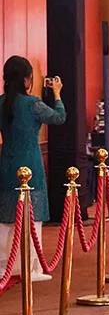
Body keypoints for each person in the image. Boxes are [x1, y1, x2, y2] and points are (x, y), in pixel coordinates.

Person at [0, 57, 66, 282]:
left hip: (7, 164)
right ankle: (30, 266)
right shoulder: (33, 104)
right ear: (27, 80)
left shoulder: (1, 103)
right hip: (30, 163)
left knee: (6, 217)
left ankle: (5, 266)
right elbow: (59, 117)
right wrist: (57, 93)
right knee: (32, 217)